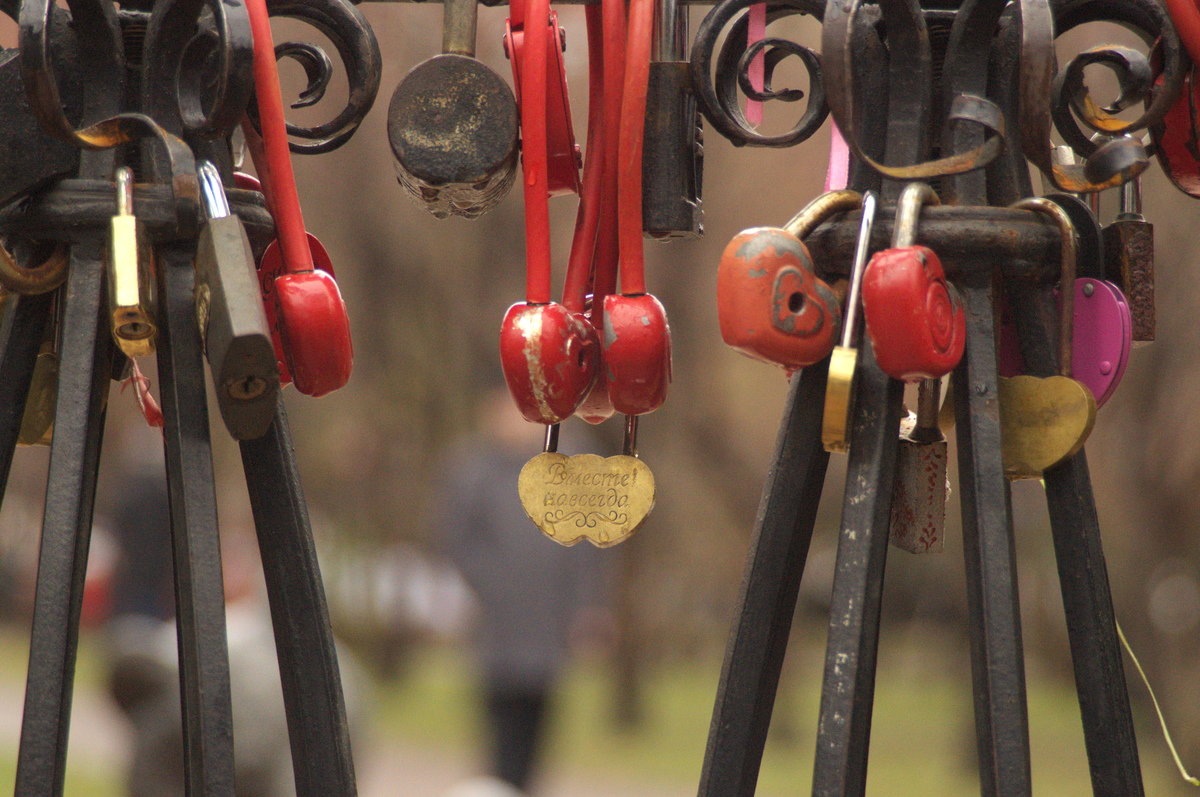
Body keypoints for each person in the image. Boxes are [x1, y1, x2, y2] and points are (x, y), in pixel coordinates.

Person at [436, 387, 609, 794]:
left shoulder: (571, 469)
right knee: (501, 725)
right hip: (497, 625)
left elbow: (589, 548)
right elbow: (454, 540)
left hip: (549, 624)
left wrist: (589, 609)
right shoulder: (473, 471)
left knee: (539, 726)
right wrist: (490, 586)